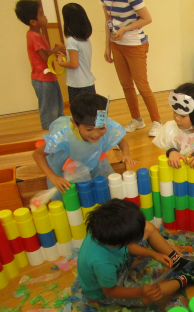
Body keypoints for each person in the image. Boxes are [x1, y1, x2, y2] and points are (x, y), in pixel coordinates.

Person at [78, 199, 194, 306]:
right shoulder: (102, 262)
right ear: (120, 241)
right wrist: (140, 291)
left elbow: (127, 246)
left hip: (115, 265)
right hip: (106, 290)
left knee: (147, 227)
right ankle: (187, 279)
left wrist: (154, 254)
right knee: (150, 296)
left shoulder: (105, 231)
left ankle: (178, 261)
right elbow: (111, 291)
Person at [33, 93, 135, 197]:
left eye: (101, 128)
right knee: (69, 200)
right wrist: (53, 177)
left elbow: (122, 142)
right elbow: (38, 154)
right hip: (64, 169)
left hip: (94, 162)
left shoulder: (105, 124)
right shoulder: (62, 136)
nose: (96, 134)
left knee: (107, 190)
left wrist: (126, 154)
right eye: (89, 129)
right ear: (75, 124)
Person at [101, 0, 162, 137]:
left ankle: (157, 122)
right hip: (116, 44)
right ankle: (137, 119)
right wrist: (107, 46)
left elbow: (147, 18)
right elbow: (108, 21)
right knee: (126, 85)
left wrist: (124, 29)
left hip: (134, 44)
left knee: (142, 86)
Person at [15, 0, 65, 130]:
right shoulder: (34, 36)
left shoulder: (37, 35)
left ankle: (58, 132)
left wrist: (54, 50)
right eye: (41, 14)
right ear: (33, 22)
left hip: (49, 78)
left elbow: (44, 53)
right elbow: (44, 56)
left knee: (57, 107)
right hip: (43, 80)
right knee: (49, 111)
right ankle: (49, 137)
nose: (45, 16)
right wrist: (56, 50)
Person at [57, 3, 96, 102]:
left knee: (78, 110)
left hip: (77, 84)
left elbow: (74, 64)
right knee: (89, 110)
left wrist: (61, 62)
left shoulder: (71, 41)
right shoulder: (86, 40)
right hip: (88, 82)